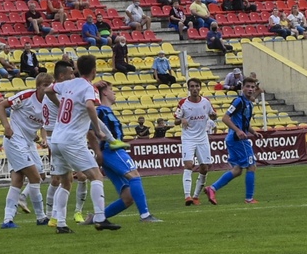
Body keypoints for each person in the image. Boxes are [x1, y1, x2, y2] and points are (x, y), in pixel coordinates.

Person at [48, 55, 121, 232]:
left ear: (77, 69)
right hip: (72, 140)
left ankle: (60, 223)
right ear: (94, 70)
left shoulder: (68, 84)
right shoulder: (89, 88)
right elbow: (89, 106)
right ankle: (100, 217)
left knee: (65, 182)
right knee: (96, 176)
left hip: (56, 139)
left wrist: (62, 105)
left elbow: (49, 90)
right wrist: (98, 129)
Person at [91, 79, 161, 223]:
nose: (114, 92)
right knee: (134, 175)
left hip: (108, 153)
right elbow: (91, 131)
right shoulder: (100, 111)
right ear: (104, 92)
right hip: (111, 150)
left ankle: (96, 218)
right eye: (111, 89)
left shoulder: (104, 111)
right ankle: (145, 216)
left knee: (127, 197)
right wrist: (98, 151)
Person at [0, 73, 57, 228]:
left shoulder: (50, 104)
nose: (48, 89)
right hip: (14, 140)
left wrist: (41, 139)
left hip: (29, 143)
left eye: (50, 86)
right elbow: (0, 106)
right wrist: (6, 126)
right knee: (35, 177)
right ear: (38, 87)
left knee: (22, 179)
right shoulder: (26, 97)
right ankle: (41, 217)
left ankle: (7, 220)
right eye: (45, 85)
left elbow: (43, 125)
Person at [204, 76, 263, 205]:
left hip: (234, 138)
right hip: (238, 139)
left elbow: (244, 123)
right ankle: (249, 198)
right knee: (251, 166)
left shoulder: (248, 103)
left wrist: (254, 132)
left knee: (237, 170)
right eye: (247, 86)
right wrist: (237, 130)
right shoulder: (238, 101)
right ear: (242, 88)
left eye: (253, 87)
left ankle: (212, 188)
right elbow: (225, 118)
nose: (250, 89)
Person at [177, 78, 217, 206]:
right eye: (192, 86)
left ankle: (196, 196)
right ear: (188, 88)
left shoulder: (206, 102)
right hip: (188, 138)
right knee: (189, 164)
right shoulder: (183, 103)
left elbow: (213, 114)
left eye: (197, 86)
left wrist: (214, 116)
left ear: (200, 87)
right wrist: (182, 119)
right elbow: (175, 120)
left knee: (204, 167)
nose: (194, 88)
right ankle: (187, 196)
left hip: (202, 138)